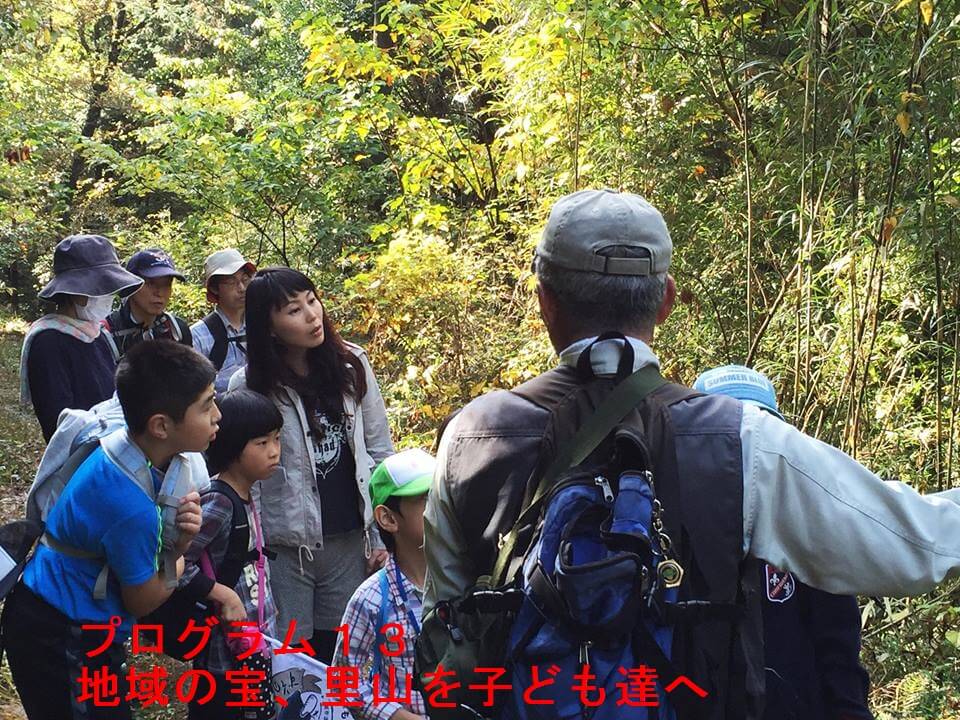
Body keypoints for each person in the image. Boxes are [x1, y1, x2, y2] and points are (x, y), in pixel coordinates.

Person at [423, 189, 960, 718]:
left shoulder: (471, 437)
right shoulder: (740, 439)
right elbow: (917, 545)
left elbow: (443, 626)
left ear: (544, 298)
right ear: (667, 300)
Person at [1, 340, 216, 719]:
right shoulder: (129, 503)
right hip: (63, 633)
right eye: (206, 405)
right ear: (161, 426)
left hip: (54, 614)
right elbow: (143, 600)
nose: (217, 415)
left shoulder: (119, 445)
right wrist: (178, 555)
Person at [230, 266, 394, 663]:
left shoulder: (352, 364)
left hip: (348, 539)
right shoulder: (249, 386)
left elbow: (379, 450)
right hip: (285, 547)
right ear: (268, 325)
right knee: (291, 657)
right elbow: (237, 474)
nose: (311, 314)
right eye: (293, 309)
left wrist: (385, 534)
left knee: (340, 652)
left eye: (312, 301)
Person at [694, 364, 873, 720]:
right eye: (730, 438)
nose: (743, 451)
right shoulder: (678, 525)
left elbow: (838, 647)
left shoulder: (808, 527)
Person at [178, 389, 281, 720]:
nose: (274, 452)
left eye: (277, 439)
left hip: (250, 643)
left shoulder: (247, 494)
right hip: (222, 652)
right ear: (234, 446)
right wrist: (222, 594)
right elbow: (176, 564)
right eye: (261, 443)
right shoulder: (219, 502)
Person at [333, 449, 434, 720]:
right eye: (426, 500)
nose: (441, 509)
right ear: (388, 518)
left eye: (442, 496)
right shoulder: (372, 599)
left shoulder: (465, 582)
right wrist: (398, 716)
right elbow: (344, 680)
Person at [19, 234, 143, 440]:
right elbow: (58, 425)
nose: (107, 297)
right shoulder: (49, 341)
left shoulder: (97, 333)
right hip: (81, 460)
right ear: (73, 291)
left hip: (112, 446)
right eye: (100, 289)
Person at [105, 247, 193, 357]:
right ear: (132, 285)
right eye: (150, 283)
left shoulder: (176, 330)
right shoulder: (107, 335)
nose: (159, 292)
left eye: (166, 284)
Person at [192, 248, 256, 392]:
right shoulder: (198, 336)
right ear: (214, 288)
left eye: (245, 280)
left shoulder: (261, 325)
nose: (241, 288)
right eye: (231, 282)